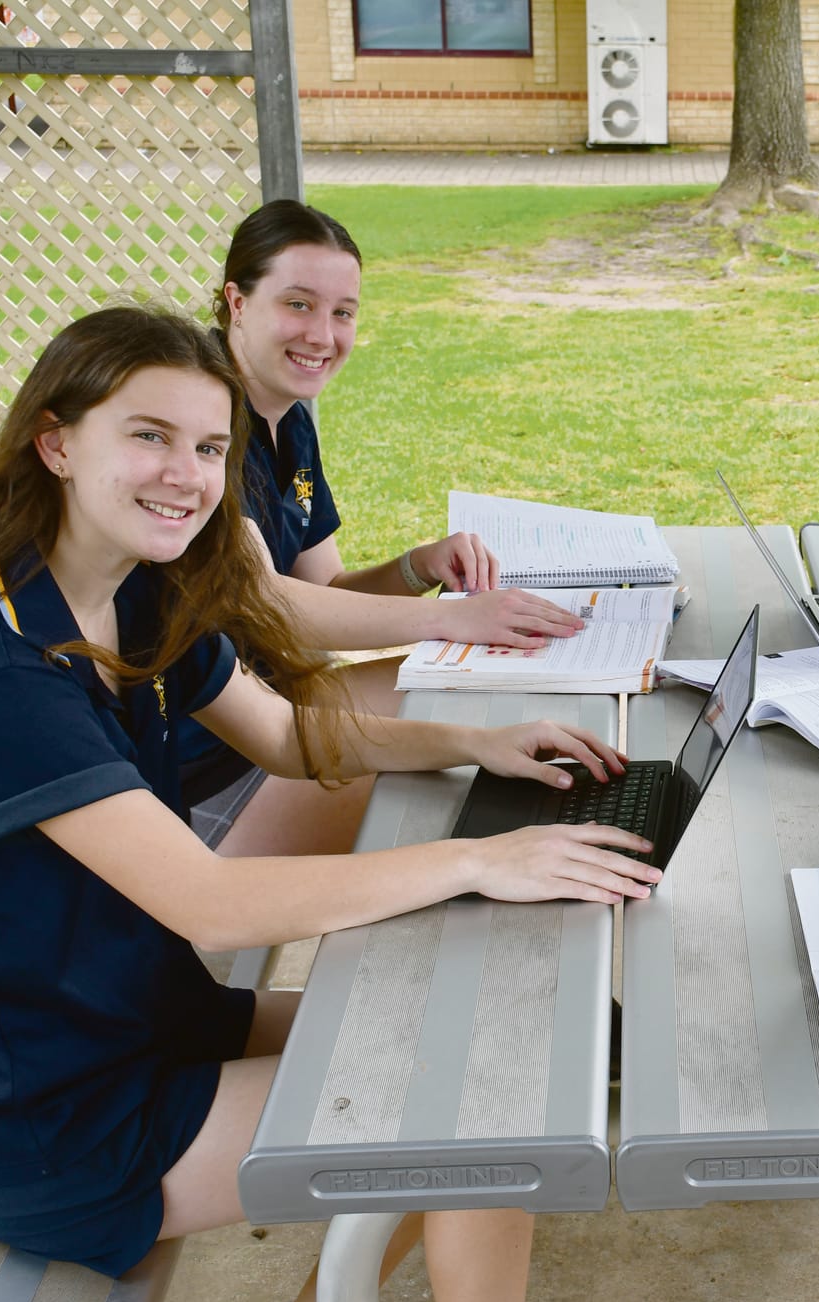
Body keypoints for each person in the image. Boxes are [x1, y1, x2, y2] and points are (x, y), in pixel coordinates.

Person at [0, 307, 659, 1302]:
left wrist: (470, 743)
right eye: (148, 435)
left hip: (146, 1023)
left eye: (209, 446)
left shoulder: (132, 595)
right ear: (55, 443)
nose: (187, 472)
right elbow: (210, 905)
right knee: (486, 1116)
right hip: (58, 1122)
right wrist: (481, 859)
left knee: (502, 1053)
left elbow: (284, 735)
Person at [184, 198, 586, 856]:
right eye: (299, 304)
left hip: (279, 697)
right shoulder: (202, 426)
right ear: (237, 300)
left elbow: (328, 587)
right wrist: (451, 619)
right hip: (217, 762)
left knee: (482, 693)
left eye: (343, 312)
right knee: (450, 798)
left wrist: (419, 567)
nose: (323, 335)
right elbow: (271, 604)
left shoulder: (290, 420)